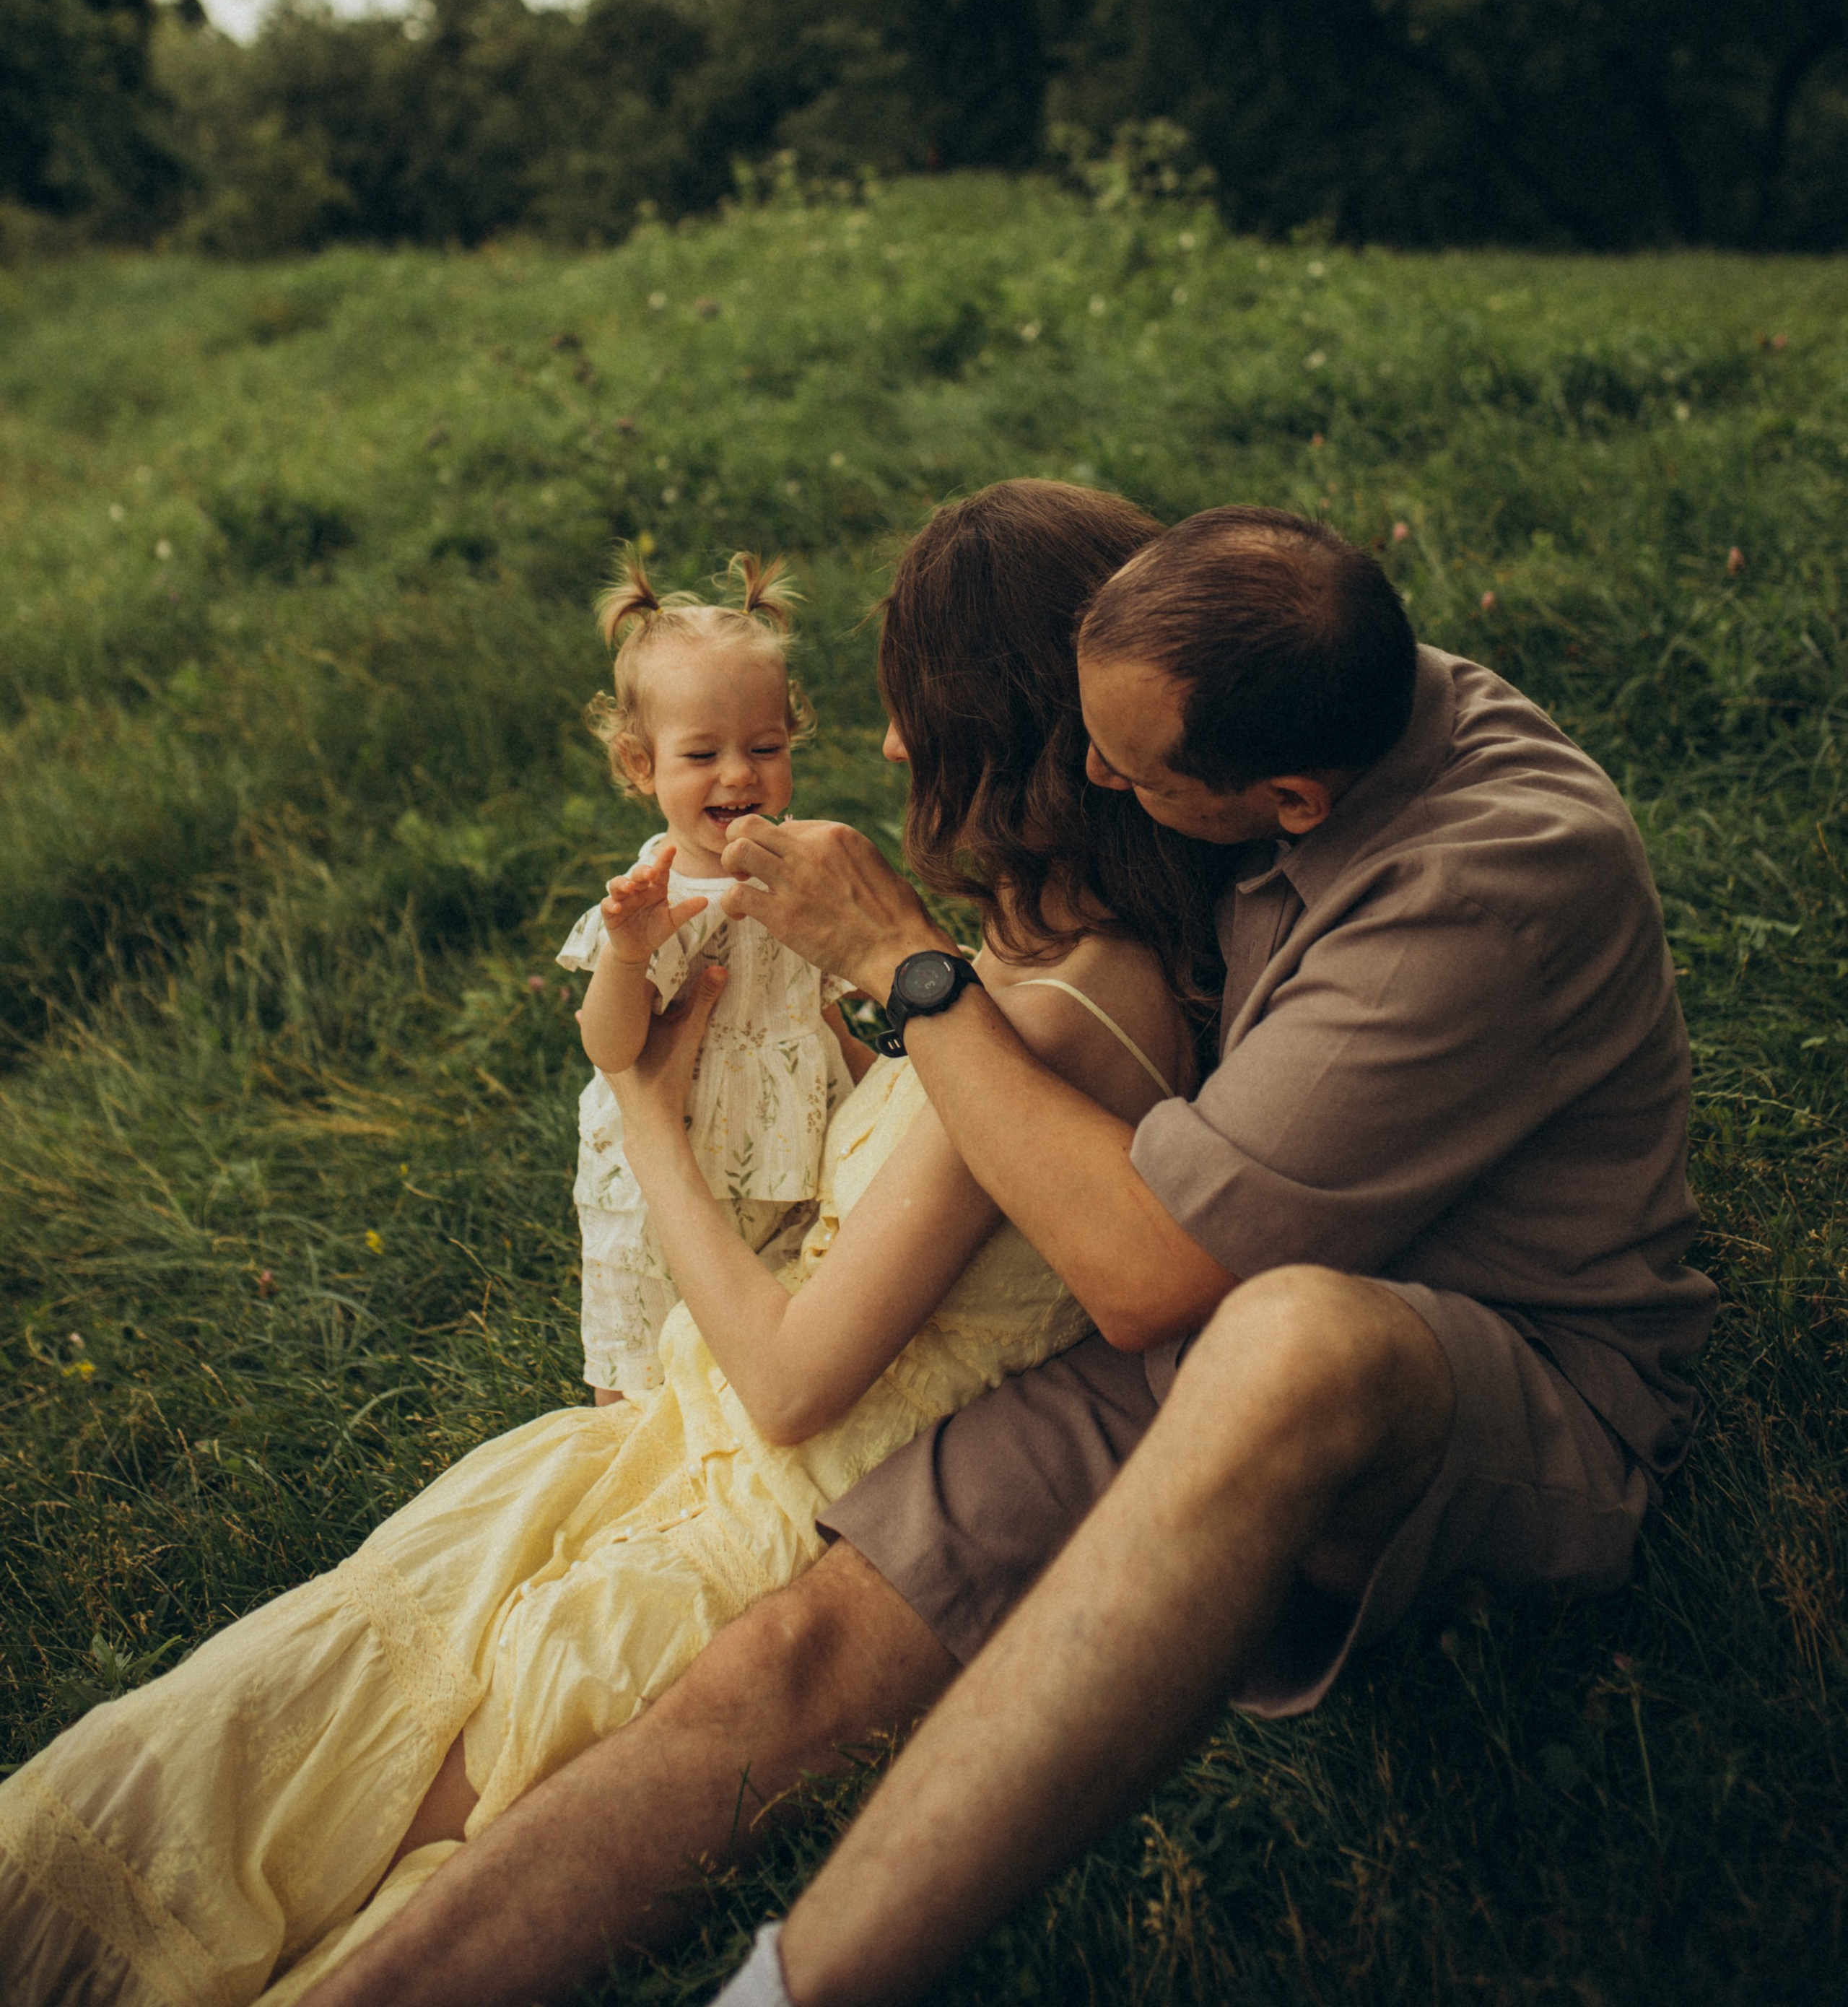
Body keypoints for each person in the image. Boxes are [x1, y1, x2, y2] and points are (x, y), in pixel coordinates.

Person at [288, 502, 1716, 2007]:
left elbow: (1156, 1271)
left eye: (1125, 766)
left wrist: (904, 967)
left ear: (1286, 798)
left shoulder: (1476, 889)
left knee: (1287, 1339)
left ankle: (788, 1992)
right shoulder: (1296, 687)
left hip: (1472, 1370)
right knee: (786, 1663)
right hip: (1179, 1335)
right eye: (1077, 736)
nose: (1096, 774)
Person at [0, 481, 1220, 2007]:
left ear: (1000, 722)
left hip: (762, 1495)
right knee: (240, 1737)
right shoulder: (1031, 960)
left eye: (915, 707)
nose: (892, 745)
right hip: (685, 1438)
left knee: (378, 1785)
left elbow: (790, 1386)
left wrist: (648, 1117)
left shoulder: (1040, 1014)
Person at [563, 549, 863, 1405]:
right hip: (669, 1179)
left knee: (760, 1335)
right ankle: (622, 1457)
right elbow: (611, 1048)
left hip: (791, 1161)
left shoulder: (795, 870)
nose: (739, 773)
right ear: (639, 766)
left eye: (764, 746)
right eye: (702, 754)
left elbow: (825, 1013)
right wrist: (627, 955)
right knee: (648, 1359)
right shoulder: (655, 896)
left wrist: (893, 1097)